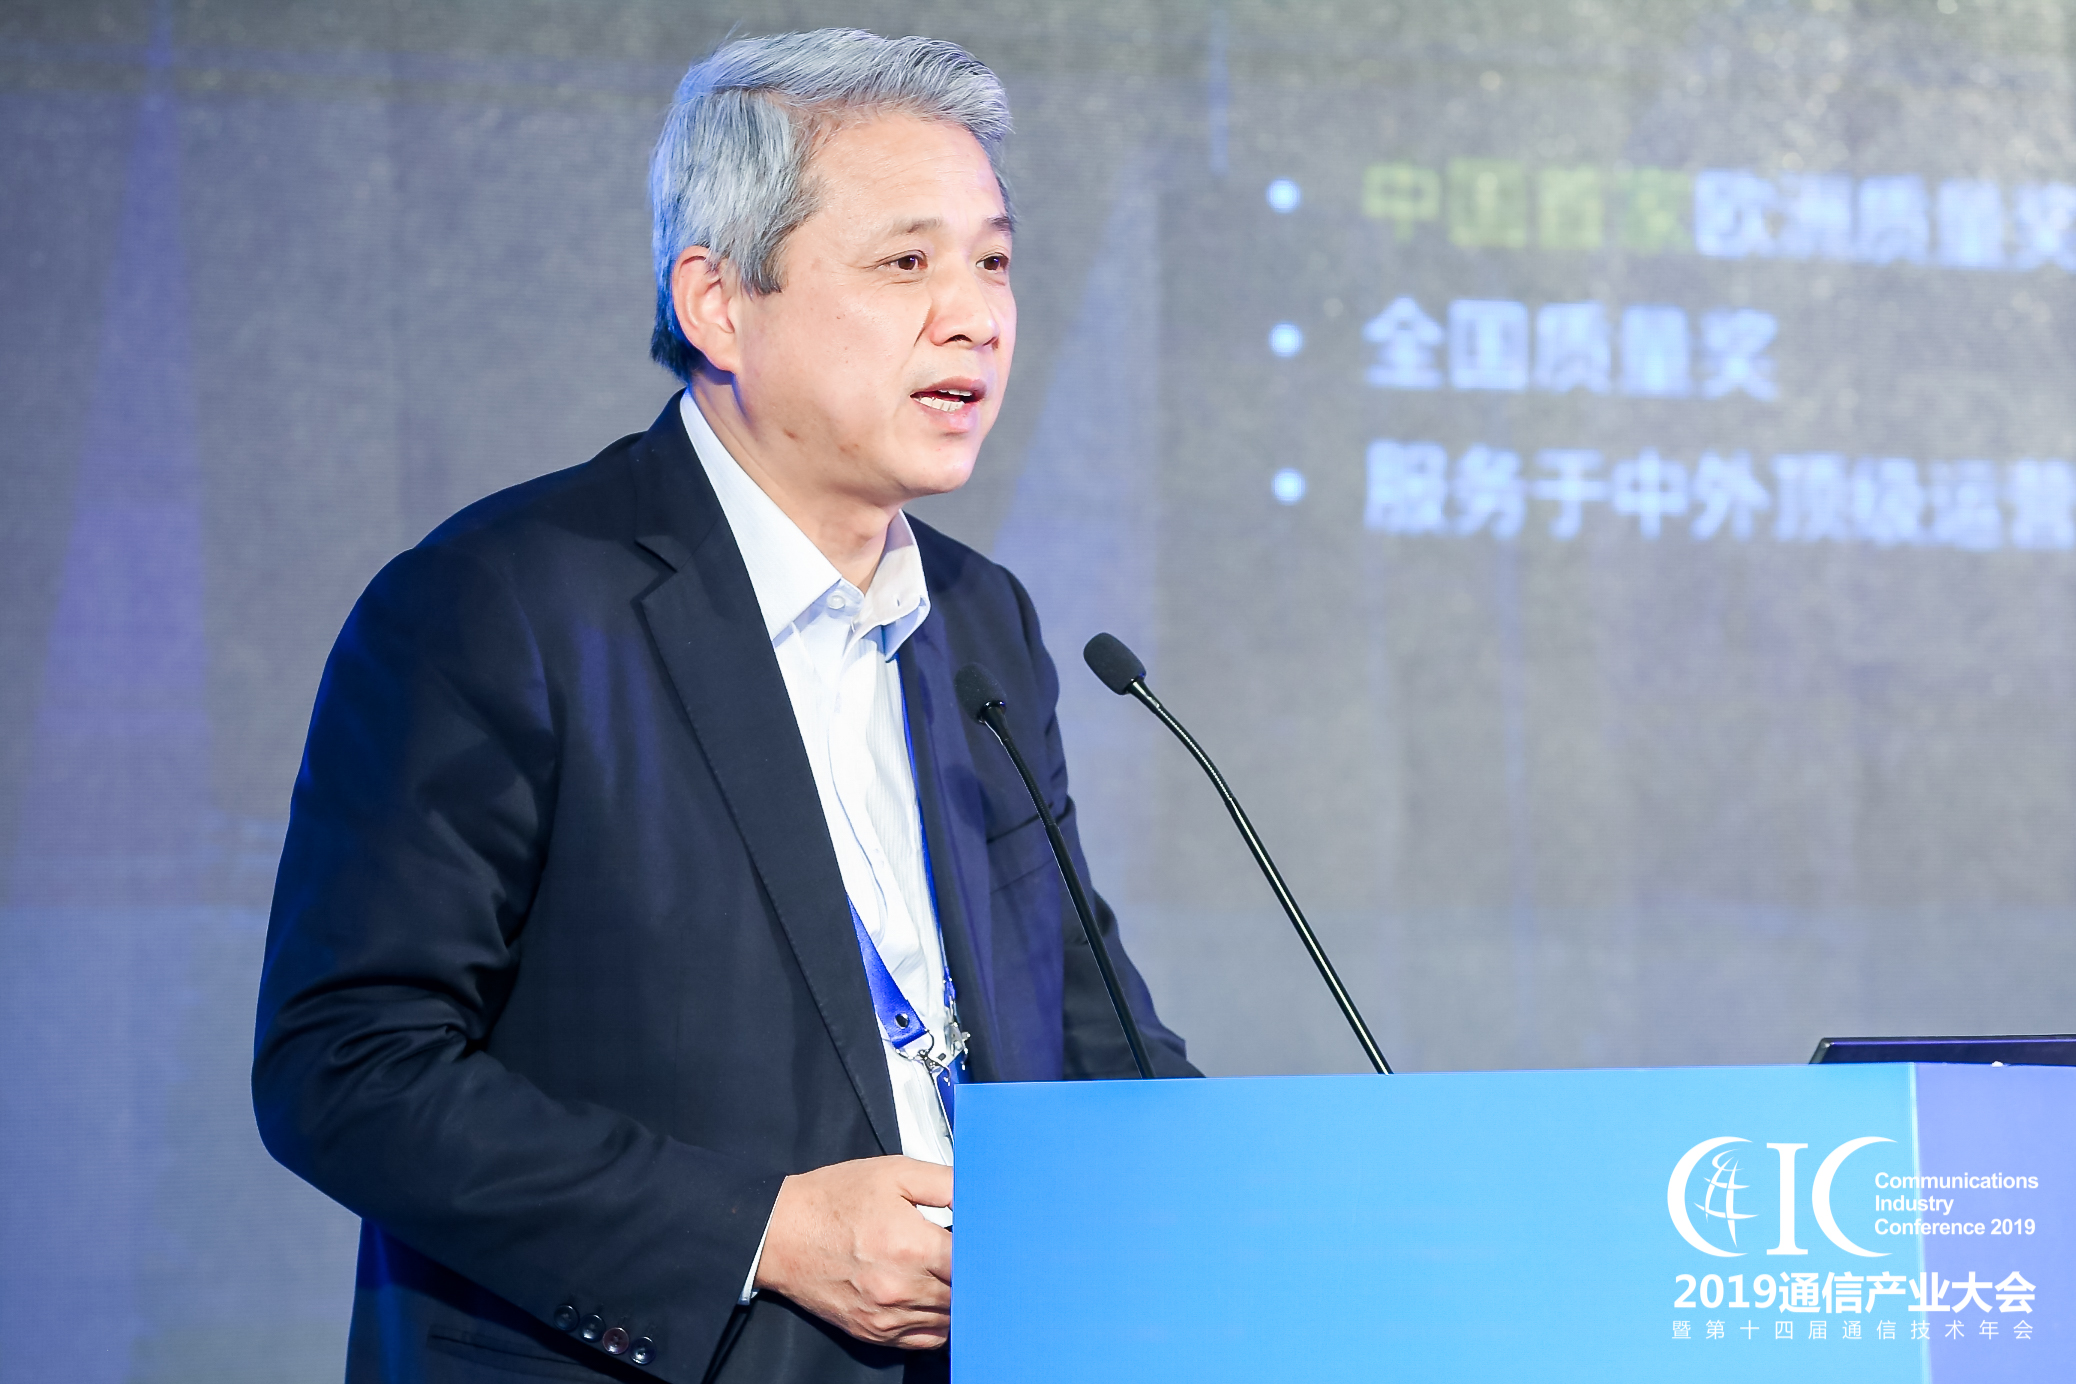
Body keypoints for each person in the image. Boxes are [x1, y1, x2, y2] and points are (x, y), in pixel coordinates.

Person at [251, 26, 1194, 1384]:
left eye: (993, 261)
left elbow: (1091, 1028)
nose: (976, 317)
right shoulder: (501, 604)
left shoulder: (981, 621)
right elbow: (346, 1068)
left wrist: (1281, 1217)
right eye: (907, 263)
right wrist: (763, 1233)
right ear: (716, 301)